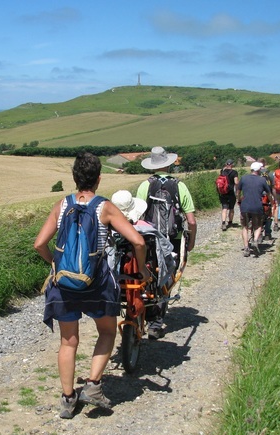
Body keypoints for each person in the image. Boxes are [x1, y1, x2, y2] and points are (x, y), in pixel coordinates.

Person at [34, 152, 151, 419]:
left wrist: (55, 264)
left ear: (75, 178)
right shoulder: (105, 207)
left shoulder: (61, 205)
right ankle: (93, 385)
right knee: (107, 332)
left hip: (63, 284)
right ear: (99, 179)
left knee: (68, 342)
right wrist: (142, 268)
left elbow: (39, 244)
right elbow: (139, 242)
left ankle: (67, 400)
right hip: (96, 283)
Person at [136, 146, 197, 339]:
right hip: (172, 239)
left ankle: (144, 312)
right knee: (166, 277)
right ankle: (156, 323)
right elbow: (192, 220)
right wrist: (191, 242)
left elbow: (136, 217)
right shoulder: (180, 186)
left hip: (150, 239)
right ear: (169, 165)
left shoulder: (145, 186)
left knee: (148, 274)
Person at [111, 189, 176, 289]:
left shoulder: (109, 231)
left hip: (115, 273)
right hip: (143, 270)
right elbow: (166, 247)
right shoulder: (147, 229)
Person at [238, 161, 272, 257]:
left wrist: (238, 200)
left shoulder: (244, 178)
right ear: (258, 170)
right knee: (258, 226)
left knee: (245, 227)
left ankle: (246, 247)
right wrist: (272, 203)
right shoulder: (262, 180)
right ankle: (255, 240)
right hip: (257, 206)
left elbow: (238, 191)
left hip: (245, 206)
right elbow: (268, 194)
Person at [218, 159, 239, 231]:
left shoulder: (222, 172)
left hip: (223, 192)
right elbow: (236, 182)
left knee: (224, 208)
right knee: (231, 208)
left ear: (226, 164)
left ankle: (223, 223)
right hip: (231, 192)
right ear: (232, 164)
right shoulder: (234, 172)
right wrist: (237, 190)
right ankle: (230, 222)